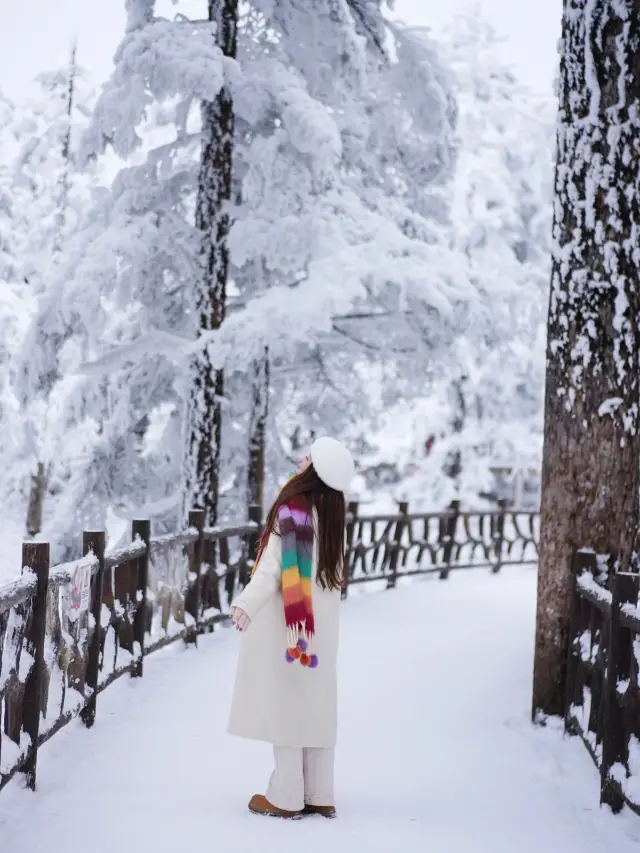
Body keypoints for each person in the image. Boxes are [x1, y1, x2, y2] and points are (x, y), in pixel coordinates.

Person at [227, 436, 355, 820]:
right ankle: (320, 791)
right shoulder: (332, 516)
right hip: (323, 630)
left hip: (293, 628)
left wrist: (245, 603)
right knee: (314, 704)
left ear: (314, 471)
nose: (299, 461)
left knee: (287, 704)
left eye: (307, 457)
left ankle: (285, 795)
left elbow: (271, 568)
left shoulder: (294, 510)